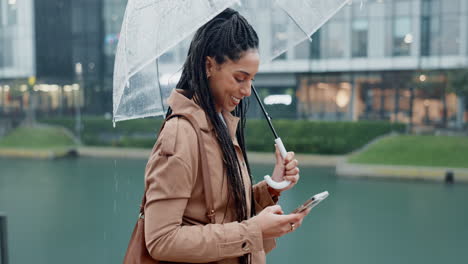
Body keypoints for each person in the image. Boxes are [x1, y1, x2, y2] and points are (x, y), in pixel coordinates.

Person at [143, 8, 310, 264]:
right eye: (240, 78)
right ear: (209, 65)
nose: (247, 91)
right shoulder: (181, 134)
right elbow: (161, 240)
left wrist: (273, 187)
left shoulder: (220, 123)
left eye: (252, 79)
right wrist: (254, 230)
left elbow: (223, 212)